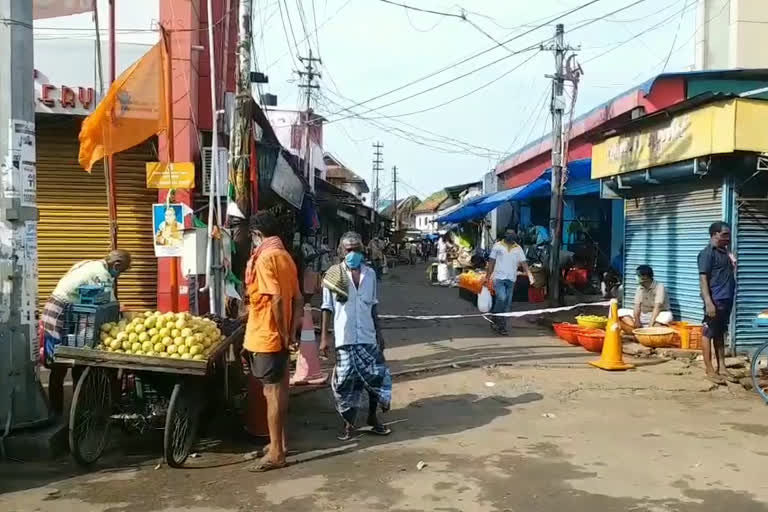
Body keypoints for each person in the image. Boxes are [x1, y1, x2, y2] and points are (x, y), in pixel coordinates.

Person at [243, 211, 303, 472]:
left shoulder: (265, 258)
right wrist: (291, 331)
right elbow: (298, 300)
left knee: (272, 393)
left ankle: (277, 452)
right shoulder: (285, 256)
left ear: (257, 234)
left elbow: (277, 298)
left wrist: (282, 333)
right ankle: (278, 444)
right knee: (280, 391)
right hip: (277, 335)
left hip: (268, 335)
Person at [320, 231, 393, 441]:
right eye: (348, 249)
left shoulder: (370, 274)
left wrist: (379, 333)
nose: (353, 253)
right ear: (341, 251)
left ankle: (372, 417)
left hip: (368, 336)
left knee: (375, 378)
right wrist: (324, 337)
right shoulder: (333, 275)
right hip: (345, 337)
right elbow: (326, 308)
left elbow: (373, 307)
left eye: (356, 249)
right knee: (345, 383)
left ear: (363, 250)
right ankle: (348, 423)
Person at [42, 250, 132, 416]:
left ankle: (60, 412)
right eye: (122, 271)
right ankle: (62, 413)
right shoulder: (101, 274)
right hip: (60, 314)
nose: (119, 275)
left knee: (66, 364)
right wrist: (124, 318)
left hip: (59, 310)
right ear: (116, 265)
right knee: (61, 364)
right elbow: (110, 304)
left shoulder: (88, 263)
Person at [698, 221, 736, 384]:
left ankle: (722, 367)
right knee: (708, 332)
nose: (728, 238)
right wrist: (708, 302)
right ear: (714, 235)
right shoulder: (707, 253)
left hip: (726, 299)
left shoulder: (725, 252)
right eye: (724, 235)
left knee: (720, 332)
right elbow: (703, 278)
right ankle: (709, 369)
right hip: (715, 299)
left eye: (728, 234)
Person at [485, 228, 534, 335]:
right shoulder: (497, 246)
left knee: (507, 304)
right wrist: (487, 276)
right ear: (505, 235)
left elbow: (524, 263)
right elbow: (491, 262)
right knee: (501, 298)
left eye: (513, 234)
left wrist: (530, 275)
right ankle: (500, 324)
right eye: (509, 234)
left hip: (511, 279)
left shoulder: (518, 248)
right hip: (499, 278)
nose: (511, 236)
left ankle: (497, 320)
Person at [618, 265, 673, 333]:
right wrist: (637, 321)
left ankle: (641, 330)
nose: (636, 277)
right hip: (644, 314)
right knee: (620, 312)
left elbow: (657, 307)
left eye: (638, 275)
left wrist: (651, 323)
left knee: (667, 316)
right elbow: (636, 306)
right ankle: (640, 329)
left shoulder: (659, 287)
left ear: (645, 277)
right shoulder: (639, 288)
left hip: (658, 314)